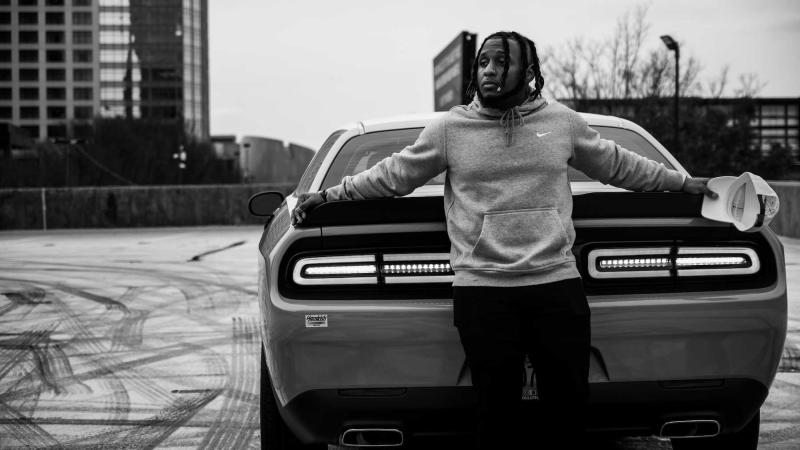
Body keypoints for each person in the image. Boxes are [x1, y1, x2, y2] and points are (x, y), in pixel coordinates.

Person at [292, 31, 717, 449]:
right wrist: (331, 194)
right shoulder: (450, 129)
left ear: (528, 71)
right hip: (484, 290)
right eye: (483, 62)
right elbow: (394, 175)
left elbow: (619, 165)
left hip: (556, 284)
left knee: (567, 410)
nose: (489, 71)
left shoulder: (562, 123)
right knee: (496, 414)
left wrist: (684, 184)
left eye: (502, 61)